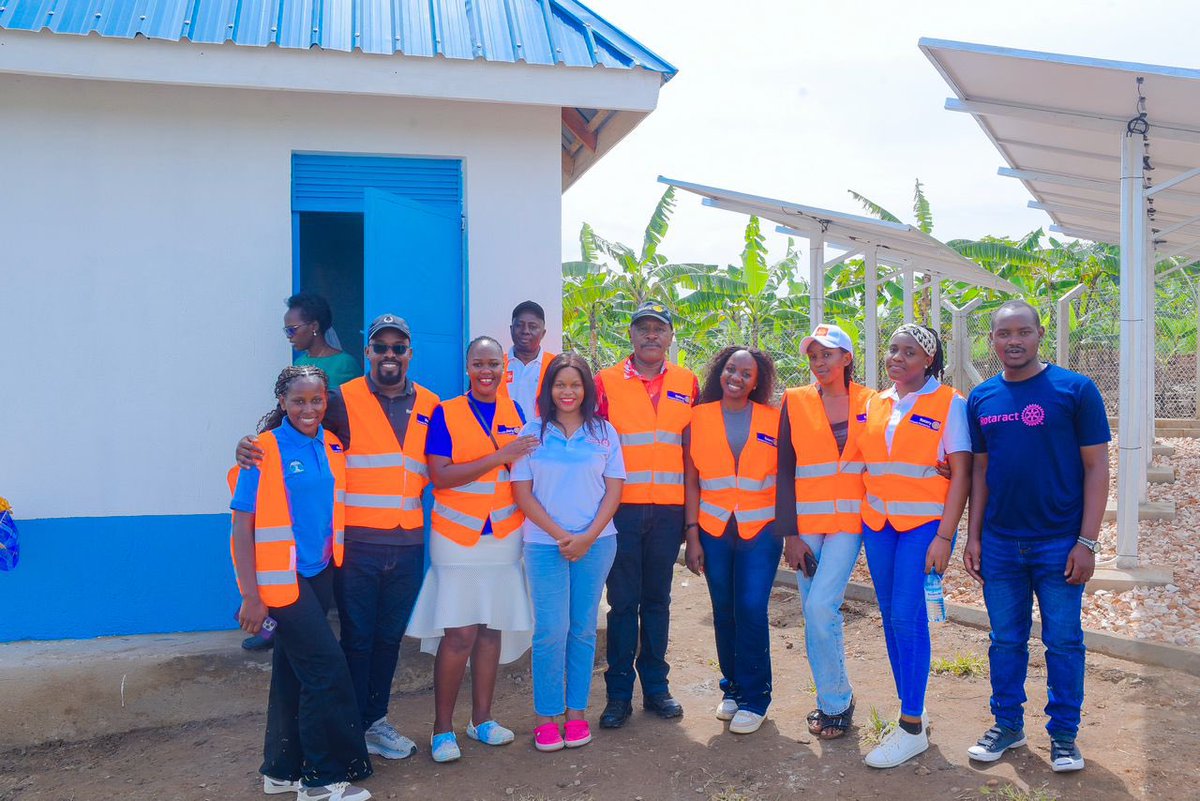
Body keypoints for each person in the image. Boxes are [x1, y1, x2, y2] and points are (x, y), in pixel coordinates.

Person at [237, 314, 436, 763]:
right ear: (367, 352)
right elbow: (292, 430)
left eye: (398, 347)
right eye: (380, 347)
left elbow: (440, 460)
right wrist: (249, 445)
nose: (389, 355)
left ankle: (373, 720)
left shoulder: (430, 403)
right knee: (357, 639)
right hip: (357, 546)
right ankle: (350, 730)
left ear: (409, 353)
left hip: (407, 543)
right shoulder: (339, 400)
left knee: (388, 640)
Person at [963, 300, 1110, 773]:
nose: (1013, 341)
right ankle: (1007, 725)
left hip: (1059, 544)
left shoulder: (1075, 390)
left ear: (1039, 334)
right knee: (1005, 640)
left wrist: (1086, 541)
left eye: (1022, 332)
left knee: (1064, 642)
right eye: (1003, 334)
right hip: (1002, 544)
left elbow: (1096, 466)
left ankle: (1064, 736)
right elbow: (980, 473)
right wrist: (974, 536)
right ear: (992, 341)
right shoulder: (982, 398)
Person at [231, 365, 373, 801]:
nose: (308, 408)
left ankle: (280, 770)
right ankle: (319, 780)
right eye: (298, 401)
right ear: (282, 403)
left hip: (320, 573)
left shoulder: (331, 444)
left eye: (316, 400)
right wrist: (251, 595)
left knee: (292, 675)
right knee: (325, 672)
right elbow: (241, 527)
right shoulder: (262, 450)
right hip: (281, 582)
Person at [405, 336, 539, 763]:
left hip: (502, 537)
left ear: (504, 369)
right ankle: (442, 728)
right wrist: (501, 453)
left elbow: (519, 470)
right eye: (480, 363)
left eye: (494, 364)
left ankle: (482, 720)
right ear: (468, 367)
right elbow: (441, 476)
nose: (487, 371)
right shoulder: (445, 412)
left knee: (490, 628)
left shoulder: (514, 412)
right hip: (457, 539)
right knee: (459, 632)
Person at [857, 323, 972, 769]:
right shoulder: (876, 402)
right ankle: (913, 709)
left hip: (924, 526)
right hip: (879, 524)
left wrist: (946, 536)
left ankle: (909, 729)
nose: (897, 357)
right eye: (892, 349)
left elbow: (960, 473)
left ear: (929, 359)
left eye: (909, 351)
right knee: (890, 615)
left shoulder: (949, 404)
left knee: (907, 615)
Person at [511, 353, 625, 752]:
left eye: (575, 384)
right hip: (545, 545)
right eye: (560, 384)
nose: (568, 391)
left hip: (597, 544)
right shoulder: (532, 433)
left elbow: (614, 490)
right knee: (549, 631)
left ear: (586, 389)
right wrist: (563, 536)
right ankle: (546, 717)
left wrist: (588, 537)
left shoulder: (604, 433)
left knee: (582, 629)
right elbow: (522, 494)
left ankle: (576, 715)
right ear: (549, 390)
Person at [594, 301, 699, 729]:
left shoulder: (687, 382)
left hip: (669, 511)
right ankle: (618, 694)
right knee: (622, 603)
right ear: (631, 335)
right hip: (621, 510)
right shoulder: (605, 382)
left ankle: (656, 688)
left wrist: (692, 523)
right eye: (643, 328)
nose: (651, 335)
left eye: (659, 329)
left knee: (657, 600)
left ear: (670, 336)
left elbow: (694, 452)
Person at [775, 324, 875, 741]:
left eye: (828, 355)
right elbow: (783, 469)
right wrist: (790, 535)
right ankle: (834, 699)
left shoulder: (873, 401)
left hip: (850, 523)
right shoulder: (794, 401)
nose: (819, 363)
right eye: (814, 356)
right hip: (807, 526)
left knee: (820, 609)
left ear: (847, 358)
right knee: (814, 612)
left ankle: (837, 701)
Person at [683, 346, 781, 736]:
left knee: (751, 608)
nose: (736, 377)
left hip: (762, 529)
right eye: (730, 369)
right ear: (718, 372)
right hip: (714, 527)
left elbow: (786, 478)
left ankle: (756, 698)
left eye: (746, 372)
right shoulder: (697, 418)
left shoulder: (774, 420)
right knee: (724, 609)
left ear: (758, 381)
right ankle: (733, 688)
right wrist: (692, 534)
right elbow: (691, 480)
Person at [286, 292, 362, 389]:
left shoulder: (345, 364)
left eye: (292, 329)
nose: (289, 336)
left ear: (314, 326)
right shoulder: (298, 363)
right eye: (287, 331)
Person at [501, 300, 556, 421]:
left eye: (533, 327)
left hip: (544, 437)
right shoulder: (496, 365)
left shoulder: (556, 366)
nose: (525, 331)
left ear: (543, 333)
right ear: (511, 329)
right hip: (503, 438)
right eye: (519, 325)